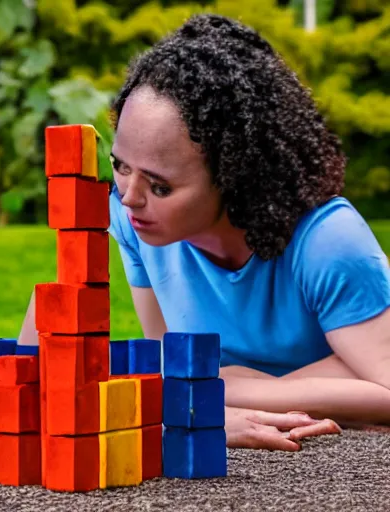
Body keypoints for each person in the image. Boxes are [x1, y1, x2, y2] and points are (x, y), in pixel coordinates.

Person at [107, 13, 390, 451]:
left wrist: (231, 386)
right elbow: (173, 368)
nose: (129, 197)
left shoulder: (327, 241)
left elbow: (386, 387)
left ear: (235, 174)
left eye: (160, 185)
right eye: (120, 166)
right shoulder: (134, 221)